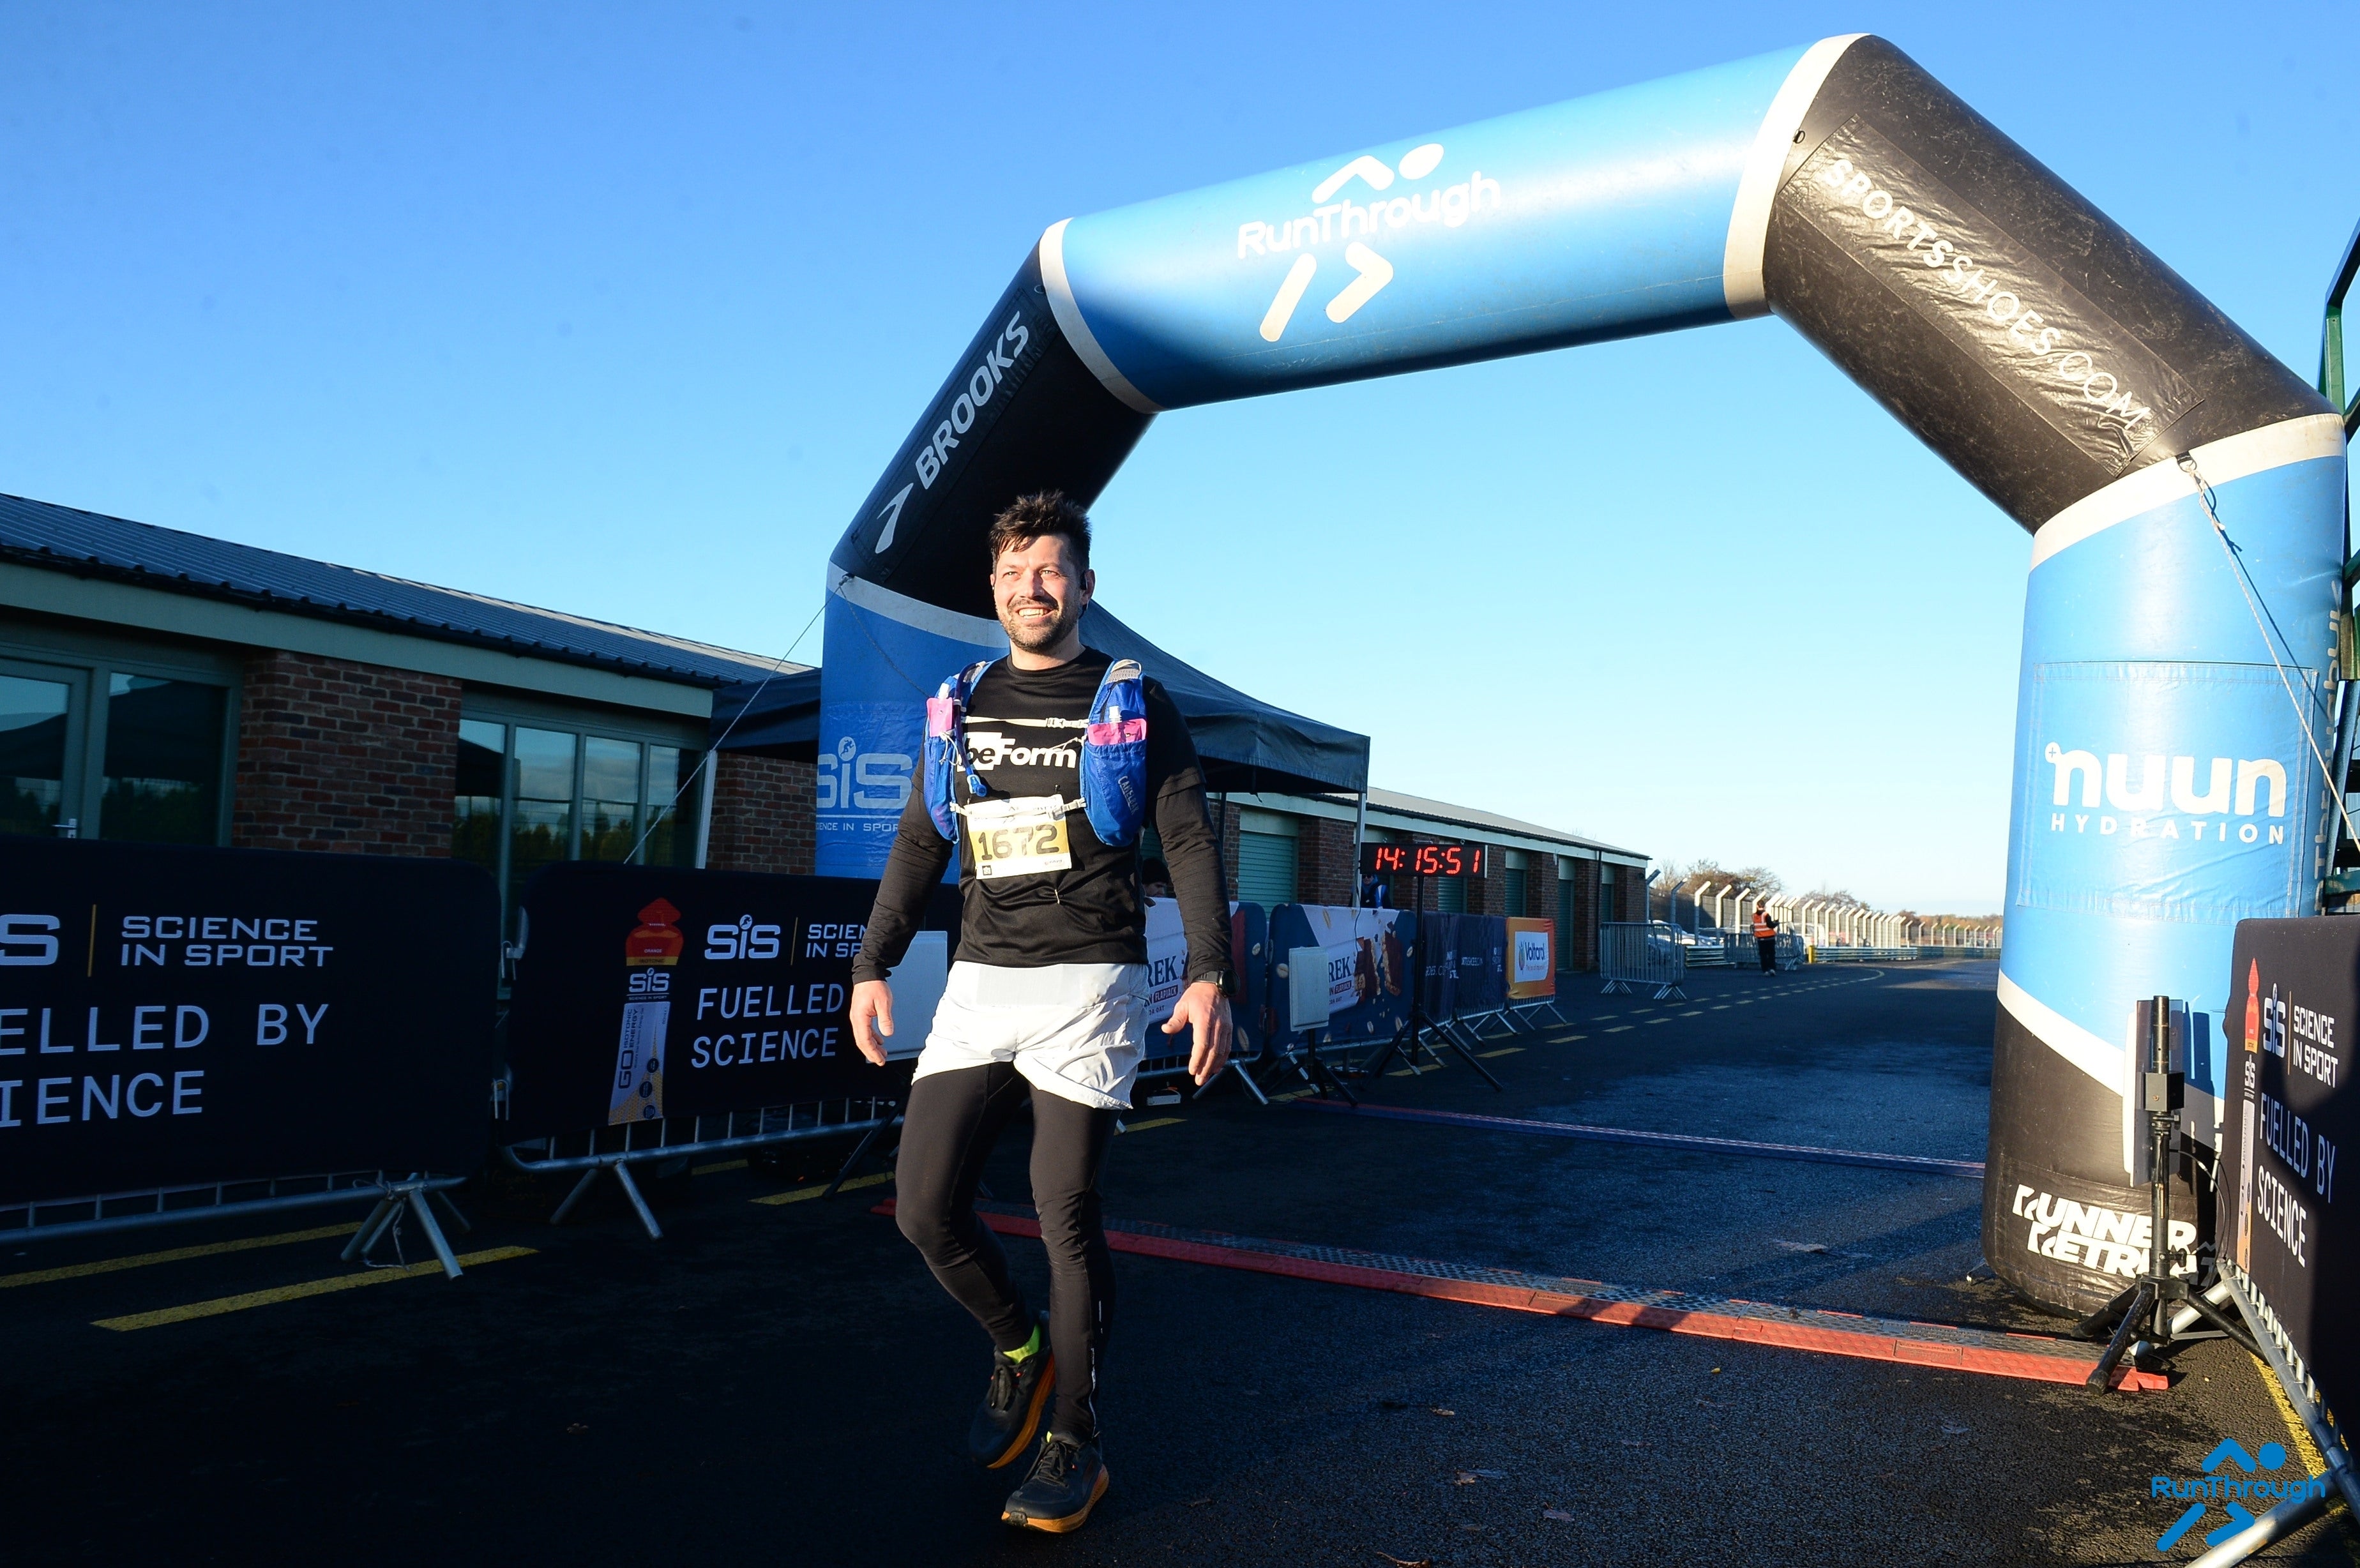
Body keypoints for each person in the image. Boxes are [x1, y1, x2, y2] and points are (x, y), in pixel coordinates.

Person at [849, 490, 1234, 1535]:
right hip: (979, 981)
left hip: (1088, 988)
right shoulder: (962, 700)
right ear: (994, 586)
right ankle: (1019, 1349)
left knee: (1061, 1210)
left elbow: (1189, 841)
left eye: (1052, 569)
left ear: (1086, 585)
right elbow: (922, 842)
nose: (1034, 587)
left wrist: (1208, 971)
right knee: (924, 1203)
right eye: (1017, 571)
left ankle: (1079, 1438)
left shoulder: (1134, 700)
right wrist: (872, 963)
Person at [1752, 903, 1779, 974]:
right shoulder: (1766, 914)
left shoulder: (1754, 916)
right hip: (1770, 937)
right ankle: (1772, 969)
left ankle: (1765, 970)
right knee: (1771, 954)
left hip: (1760, 938)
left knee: (1763, 955)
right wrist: (1776, 923)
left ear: (1757, 906)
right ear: (1764, 906)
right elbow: (1770, 925)